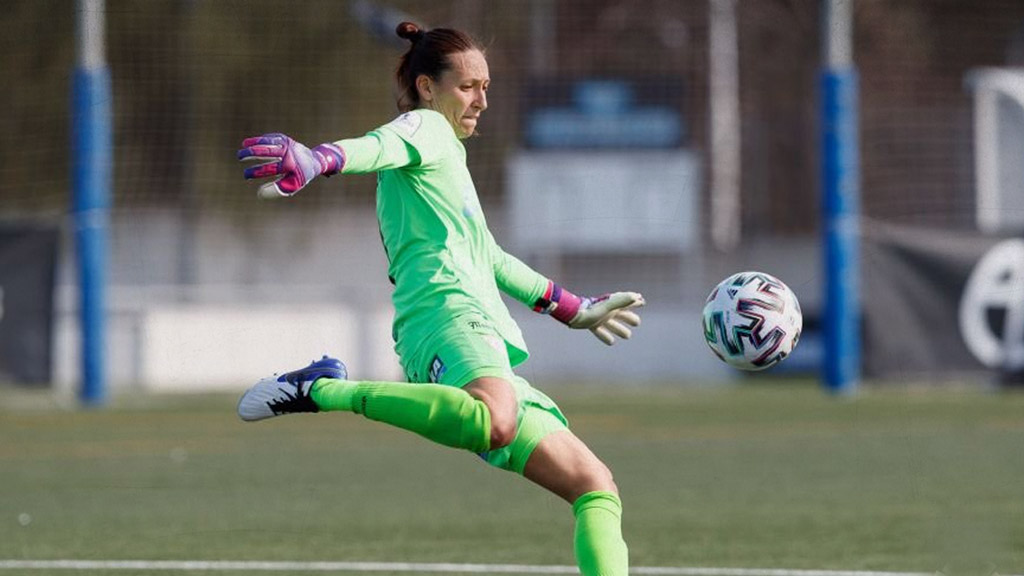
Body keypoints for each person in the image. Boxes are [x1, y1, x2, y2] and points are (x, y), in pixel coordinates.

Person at [236, 21, 644, 576]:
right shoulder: (425, 126)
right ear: (427, 87)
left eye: (486, 86)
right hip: (446, 314)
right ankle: (322, 388)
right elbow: (379, 145)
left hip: (470, 324)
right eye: (468, 86)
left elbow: (489, 255)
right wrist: (319, 159)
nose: (480, 99)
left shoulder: (446, 152)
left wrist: (573, 309)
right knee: (495, 422)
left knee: (594, 486)